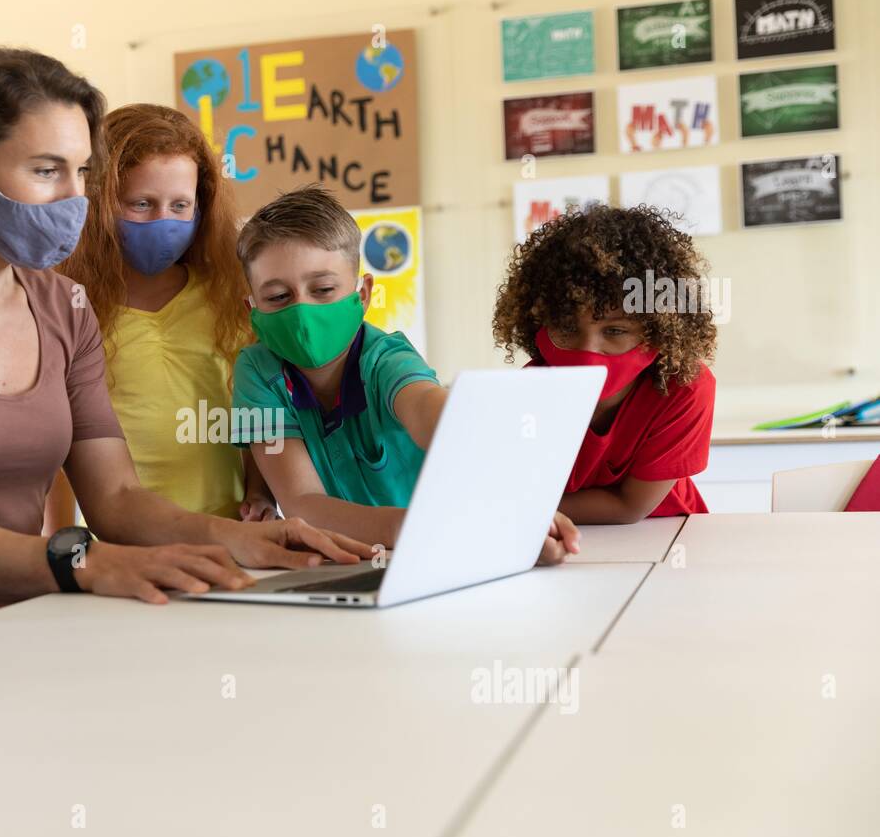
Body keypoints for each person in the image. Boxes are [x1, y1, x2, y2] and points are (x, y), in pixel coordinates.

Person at [0, 48, 370, 627]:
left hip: (33, 620)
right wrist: (84, 561)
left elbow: (118, 500)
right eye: (47, 171)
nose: (74, 198)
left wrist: (248, 540)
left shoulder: (62, 305)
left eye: (83, 173)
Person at [232, 186, 579, 562]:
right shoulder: (256, 370)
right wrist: (426, 527)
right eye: (279, 297)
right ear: (252, 308)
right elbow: (303, 503)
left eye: (324, 289)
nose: (302, 312)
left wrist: (515, 505)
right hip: (369, 559)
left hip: (446, 553)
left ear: (362, 294)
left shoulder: (386, 359)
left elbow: (434, 414)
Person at [56, 103, 275, 523]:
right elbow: (56, 444)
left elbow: (259, 411)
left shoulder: (230, 297)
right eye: (141, 203)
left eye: (180, 205)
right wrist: (62, 544)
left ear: (201, 205)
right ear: (99, 202)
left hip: (231, 533)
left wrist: (261, 495)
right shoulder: (69, 307)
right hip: (122, 546)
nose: (163, 221)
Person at [493, 204, 717, 522]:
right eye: (568, 328)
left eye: (614, 331)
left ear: (658, 331)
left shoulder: (684, 388)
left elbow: (631, 507)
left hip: (668, 533)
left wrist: (519, 506)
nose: (588, 352)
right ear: (539, 323)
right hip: (564, 540)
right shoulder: (530, 391)